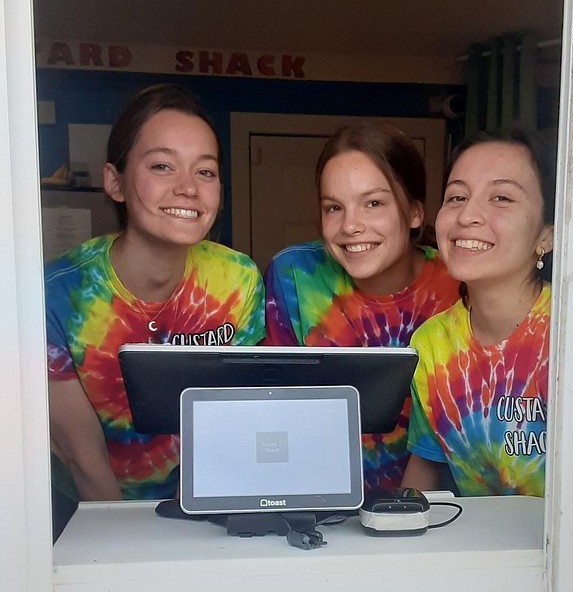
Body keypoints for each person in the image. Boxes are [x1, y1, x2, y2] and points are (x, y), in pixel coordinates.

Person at [46, 84, 264, 507]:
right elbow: (82, 458)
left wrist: (188, 520)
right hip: (85, 512)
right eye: (163, 166)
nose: (188, 188)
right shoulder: (59, 295)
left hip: (202, 498)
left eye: (205, 171)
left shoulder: (238, 282)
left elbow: (224, 423)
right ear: (115, 182)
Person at [264, 122, 460, 489]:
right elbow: (273, 402)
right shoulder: (293, 277)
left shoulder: (456, 282)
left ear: (415, 212)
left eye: (373, 203)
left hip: (438, 510)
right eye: (334, 207)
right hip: (318, 501)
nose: (350, 225)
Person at [404, 128, 555, 497]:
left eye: (501, 197)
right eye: (456, 196)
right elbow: (428, 463)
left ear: (547, 235)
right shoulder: (432, 345)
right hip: (484, 551)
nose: (468, 215)